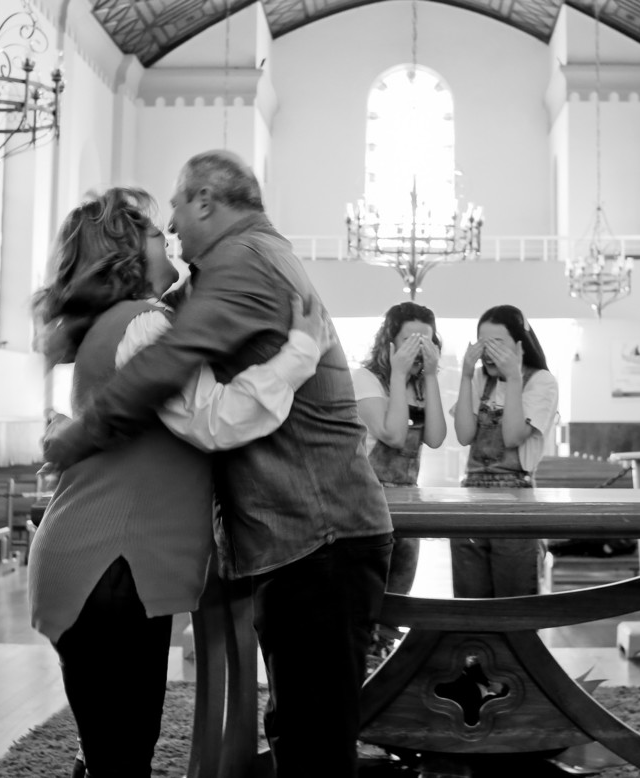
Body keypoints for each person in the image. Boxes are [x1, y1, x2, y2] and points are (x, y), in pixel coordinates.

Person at [42, 151, 394, 778]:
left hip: (107, 563)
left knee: (114, 753)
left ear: (205, 201)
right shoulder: (144, 323)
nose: (170, 228)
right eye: (156, 230)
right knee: (124, 756)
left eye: (173, 211)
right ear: (128, 255)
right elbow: (216, 420)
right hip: (110, 567)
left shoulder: (159, 305)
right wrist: (300, 351)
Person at [351, 302, 446, 655]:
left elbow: (435, 437)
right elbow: (391, 435)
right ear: (389, 342)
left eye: (426, 341)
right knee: (366, 595)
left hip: (407, 502)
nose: (418, 348)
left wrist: (431, 377)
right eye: (409, 340)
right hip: (367, 500)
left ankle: (382, 657)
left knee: (398, 593)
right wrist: (397, 373)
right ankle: (360, 663)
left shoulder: (421, 386)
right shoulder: (366, 379)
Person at [450, 304, 559, 598]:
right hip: (471, 498)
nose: (488, 353)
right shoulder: (479, 379)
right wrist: (464, 376)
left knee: (514, 602)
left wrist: (513, 378)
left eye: (498, 344)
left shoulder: (541, 381)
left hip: (516, 501)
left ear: (520, 346)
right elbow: (464, 435)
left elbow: (512, 436)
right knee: (470, 602)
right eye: (483, 344)